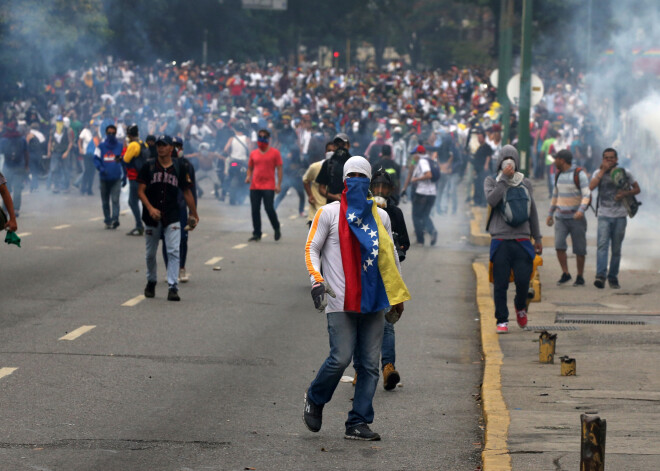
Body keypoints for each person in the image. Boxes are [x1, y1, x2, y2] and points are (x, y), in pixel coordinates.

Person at [303, 156, 410, 441]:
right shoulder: (327, 213)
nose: (356, 181)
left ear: (369, 183)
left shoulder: (381, 217)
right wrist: (317, 281)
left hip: (373, 300)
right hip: (339, 301)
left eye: (361, 177)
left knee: (368, 365)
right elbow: (311, 248)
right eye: (351, 176)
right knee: (340, 358)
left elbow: (389, 260)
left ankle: (358, 421)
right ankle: (315, 397)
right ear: (344, 182)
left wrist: (396, 295)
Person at [352, 168, 410, 391]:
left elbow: (402, 245)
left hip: (386, 277)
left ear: (390, 190)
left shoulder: (393, 214)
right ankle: (360, 369)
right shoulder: (361, 210)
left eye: (384, 187)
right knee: (359, 323)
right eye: (377, 186)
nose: (380, 190)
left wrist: (398, 250)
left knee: (386, 324)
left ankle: (388, 367)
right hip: (363, 276)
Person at [485, 145, 543, 334]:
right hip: (500, 239)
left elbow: (532, 211)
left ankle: (520, 307)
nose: (509, 161)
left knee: (523, 281)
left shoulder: (525, 182)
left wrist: (538, 237)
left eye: (512, 158)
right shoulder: (491, 181)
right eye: (505, 158)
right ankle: (501, 319)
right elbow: (492, 200)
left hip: (522, 239)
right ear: (499, 162)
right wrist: (503, 180)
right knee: (500, 283)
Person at [137, 135, 199, 301]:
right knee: (150, 254)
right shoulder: (148, 166)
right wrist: (150, 208)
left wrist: (194, 214)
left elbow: (187, 192)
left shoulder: (180, 167)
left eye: (164, 145)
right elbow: (140, 191)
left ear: (171, 148)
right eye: (159, 145)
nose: (161, 148)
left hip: (172, 215)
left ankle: (173, 286)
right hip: (151, 218)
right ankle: (151, 281)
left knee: (173, 251)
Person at [588, 148, 641, 289]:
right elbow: (591, 187)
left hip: (620, 216)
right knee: (602, 246)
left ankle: (613, 277)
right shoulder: (597, 173)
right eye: (606, 158)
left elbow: (637, 189)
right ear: (602, 159)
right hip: (604, 215)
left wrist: (625, 193)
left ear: (616, 159)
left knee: (616, 249)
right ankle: (600, 276)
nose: (609, 160)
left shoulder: (625, 173)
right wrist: (601, 171)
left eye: (612, 158)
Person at [546, 149, 590, 286]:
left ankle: (580, 276)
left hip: (576, 218)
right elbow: (555, 196)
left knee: (579, 249)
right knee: (559, 245)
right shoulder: (558, 175)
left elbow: (586, 195)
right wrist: (550, 214)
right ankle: (566, 273)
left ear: (562, 160)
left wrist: (581, 210)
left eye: (556, 159)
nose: (555, 161)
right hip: (560, 217)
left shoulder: (579, 174)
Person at [245, 129, 282, 242]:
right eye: (260, 136)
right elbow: (250, 167)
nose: (262, 139)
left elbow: (279, 169)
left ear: (268, 139)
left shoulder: (275, 153)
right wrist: (248, 176)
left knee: (269, 208)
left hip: (269, 186)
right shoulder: (253, 153)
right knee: (255, 210)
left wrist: (278, 184)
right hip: (255, 186)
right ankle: (257, 233)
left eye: (264, 137)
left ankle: (276, 227)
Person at [401, 145, 437, 246]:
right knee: (424, 215)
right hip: (432, 194)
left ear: (418, 154)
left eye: (414, 154)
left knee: (416, 216)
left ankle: (420, 240)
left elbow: (429, 175)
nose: (413, 157)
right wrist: (404, 188)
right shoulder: (429, 160)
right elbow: (411, 173)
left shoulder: (422, 161)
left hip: (422, 193)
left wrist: (415, 180)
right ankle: (432, 231)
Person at [93, 124, 125, 229]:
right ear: (106, 134)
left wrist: (125, 174)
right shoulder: (101, 146)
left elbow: (124, 160)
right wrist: (100, 168)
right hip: (104, 178)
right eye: (109, 133)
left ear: (116, 133)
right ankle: (107, 219)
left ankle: (115, 219)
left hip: (116, 178)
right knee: (105, 201)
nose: (111, 134)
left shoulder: (120, 146)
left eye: (113, 133)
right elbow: (96, 159)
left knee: (115, 200)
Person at [123, 124, 150, 236]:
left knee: (132, 201)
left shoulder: (133, 145)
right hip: (144, 177)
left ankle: (139, 226)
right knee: (143, 201)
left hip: (135, 177)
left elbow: (126, 159)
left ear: (129, 134)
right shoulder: (144, 143)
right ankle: (149, 224)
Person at [0, 119, 29, 218]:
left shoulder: (3, 139)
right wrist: (26, 166)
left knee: (5, 190)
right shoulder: (22, 139)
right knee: (17, 189)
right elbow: (26, 153)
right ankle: (16, 209)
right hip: (19, 167)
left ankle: (5, 209)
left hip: (7, 167)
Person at [315, 133, 352, 203]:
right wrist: (334, 197)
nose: (340, 148)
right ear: (334, 147)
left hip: (351, 206)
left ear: (348, 146)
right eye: (337, 145)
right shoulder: (328, 164)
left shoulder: (355, 163)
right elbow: (321, 188)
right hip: (332, 205)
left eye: (343, 144)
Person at [302, 142, 332, 228]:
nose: (331, 153)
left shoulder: (341, 169)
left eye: (334, 151)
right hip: (316, 212)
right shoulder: (315, 167)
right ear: (325, 152)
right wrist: (310, 195)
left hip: (332, 214)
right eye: (329, 150)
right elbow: (305, 180)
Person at [274, 147, 306, 217]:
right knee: (281, 195)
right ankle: (273, 209)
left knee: (302, 196)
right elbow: (282, 170)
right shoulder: (287, 160)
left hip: (297, 180)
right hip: (288, 180)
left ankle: (301, 211)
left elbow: (306, 168)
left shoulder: (301, 160)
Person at [47, 115, 74, 193]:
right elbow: (50, 141)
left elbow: (70, 143)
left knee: (66, 170)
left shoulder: (67, 130)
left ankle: (66, 186)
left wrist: (66, 152)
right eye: (58, 122)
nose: (59, 124)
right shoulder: (52, 131)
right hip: (55, 152)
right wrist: (49, 151)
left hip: (64, 152)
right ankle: (56, 186)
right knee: (54, 169)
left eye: (60, 122)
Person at [471, 130, 492, 207]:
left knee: (483, 186)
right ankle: (477, 201)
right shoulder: (479, 148)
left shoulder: (487, 146)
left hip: (483, 170)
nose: (479, 139)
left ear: (483, 138)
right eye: (478, 138)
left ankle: (483, 202)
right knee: (477, 186)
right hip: (478, 170)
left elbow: (488, 156)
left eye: (480, 137)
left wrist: (486, 165)